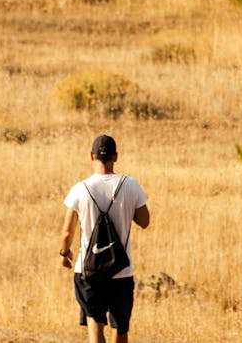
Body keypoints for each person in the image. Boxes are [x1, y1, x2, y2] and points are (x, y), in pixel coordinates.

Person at [60, 134, 150, 343]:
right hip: (121, 270)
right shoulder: (131, 185)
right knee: (120, 327)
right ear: (115, 157)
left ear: (91, 156)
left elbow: (67, 233)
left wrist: (64, 254)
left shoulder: (80, 189)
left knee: (95, 325)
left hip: (89, 270)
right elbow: (145, 221)